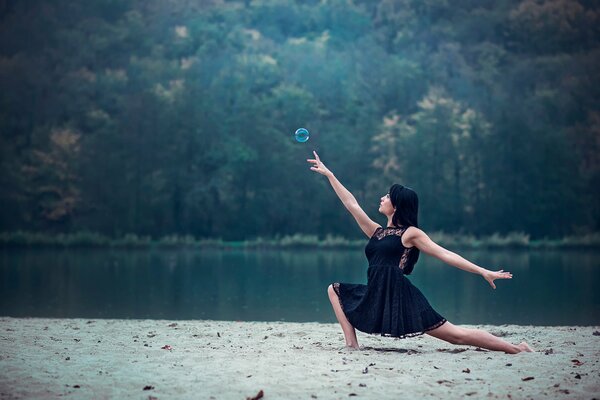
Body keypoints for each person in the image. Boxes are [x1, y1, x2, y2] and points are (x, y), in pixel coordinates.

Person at [307, 151, 534, 354]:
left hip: (400, 295)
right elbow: (352, 205)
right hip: (376, 292)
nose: (382, 198)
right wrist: (330, 175)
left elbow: (445, 254)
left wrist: (483, 271)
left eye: (387, 196)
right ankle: (351, 346)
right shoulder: (377, 232)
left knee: (456, 336)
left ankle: (516, 349)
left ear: (396, 206)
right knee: (334, 290)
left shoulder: (411, 234)